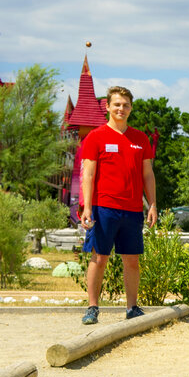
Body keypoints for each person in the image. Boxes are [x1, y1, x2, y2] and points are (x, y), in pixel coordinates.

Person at [79, 86, 157, 325]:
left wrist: (152, 204)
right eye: (117, 104)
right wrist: (88, 208)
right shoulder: (95, 137)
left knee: (132, 260)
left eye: (125, 105)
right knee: (99, 258)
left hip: (133, 210)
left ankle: (132, 307)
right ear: (108, 107)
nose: (121, 109)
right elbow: (88, 175)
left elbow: (148, 174)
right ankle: (92, 307)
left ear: (131, 108)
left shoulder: (140, 139)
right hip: (103, 208)